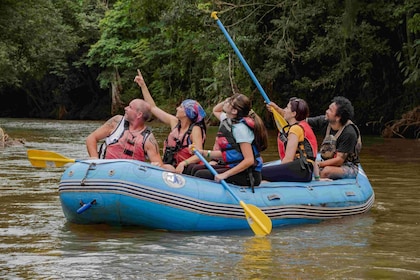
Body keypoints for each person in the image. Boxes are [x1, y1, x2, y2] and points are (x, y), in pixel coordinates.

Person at [134, 70, 206, 174]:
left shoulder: (195, 129)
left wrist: (183, 163)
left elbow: (199, 154)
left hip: (185, 168)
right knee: (157, 166)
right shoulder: (175, 122)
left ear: (187, 113)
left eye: (180, 107)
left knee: (163, 168)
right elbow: (153, 108)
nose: (177, 108)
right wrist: (143, 85)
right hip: (171, 165)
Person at [189, 93, 268, 188]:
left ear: (234, 111)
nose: (226, 102)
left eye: (229, 102)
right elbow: (231, 154)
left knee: (200, 174)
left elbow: (249, 160)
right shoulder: (228, 120)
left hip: (248, 174)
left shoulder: (241, 129)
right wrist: (203, 153)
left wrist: (225, 174)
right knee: (193, 168)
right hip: (235, 167)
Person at [86, 98, 169, 169]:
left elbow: (159, 164)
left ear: (139, 114)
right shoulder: (116, 122)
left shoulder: (149, 140)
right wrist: (95, 159)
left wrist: (156, 165)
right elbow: (91, 138)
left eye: (130, 107)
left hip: (129, 177)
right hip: (105, 169)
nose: (125, 108)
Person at [261, 97, 318, 182]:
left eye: (287, 108)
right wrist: (317, 178)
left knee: (260, 173)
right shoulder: (303, 125)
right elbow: (313, 158)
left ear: (293, 114)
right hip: (305, 171)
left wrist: (277, 171)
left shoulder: (295, 129)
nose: (284, 110)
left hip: (300, 170)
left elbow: (288, 159)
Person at [306, 96, 362, 179]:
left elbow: (339, 160)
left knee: (326, 171)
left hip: (348, 166)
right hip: (327, 161)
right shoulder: (325, 121)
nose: (326, 111)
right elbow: (302, 121)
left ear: (338, 117)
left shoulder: (349, 133)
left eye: (330, 110)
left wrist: (318, 164)